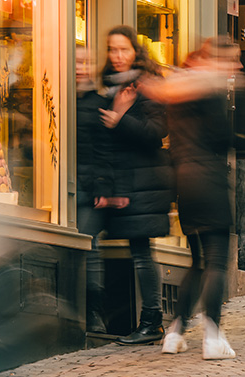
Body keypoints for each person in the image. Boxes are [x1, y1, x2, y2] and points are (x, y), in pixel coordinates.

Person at [139, 36, 245, 359]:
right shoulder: (206, 89)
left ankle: (174, 333)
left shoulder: (180, 89)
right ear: (216, 59)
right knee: (216, 261)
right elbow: (222, 137)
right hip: (209, 181)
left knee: (197, 262)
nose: (239, 66)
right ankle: (213, 335)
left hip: (184, 182)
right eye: (234, 59)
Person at [99, 25, 174, 345]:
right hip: (121, 181)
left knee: (142, 252)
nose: (117, 56)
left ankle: (152, 320)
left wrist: (121, 120)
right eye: (112, 50)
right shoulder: (109, 87)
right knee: (133, 250)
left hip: (142, 180)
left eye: (123, 50)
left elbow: (158, 131)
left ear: (135, 52)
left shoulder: (146, 86)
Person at [76, 45, 114, 333]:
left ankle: (93, 312)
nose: (80, 67)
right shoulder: (53, 99)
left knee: (89, 246)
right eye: (74, 62)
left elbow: (106, 150)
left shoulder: (99, 103)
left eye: (85, 62)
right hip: (65, 189)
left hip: (90, 191)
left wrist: (103, 186)